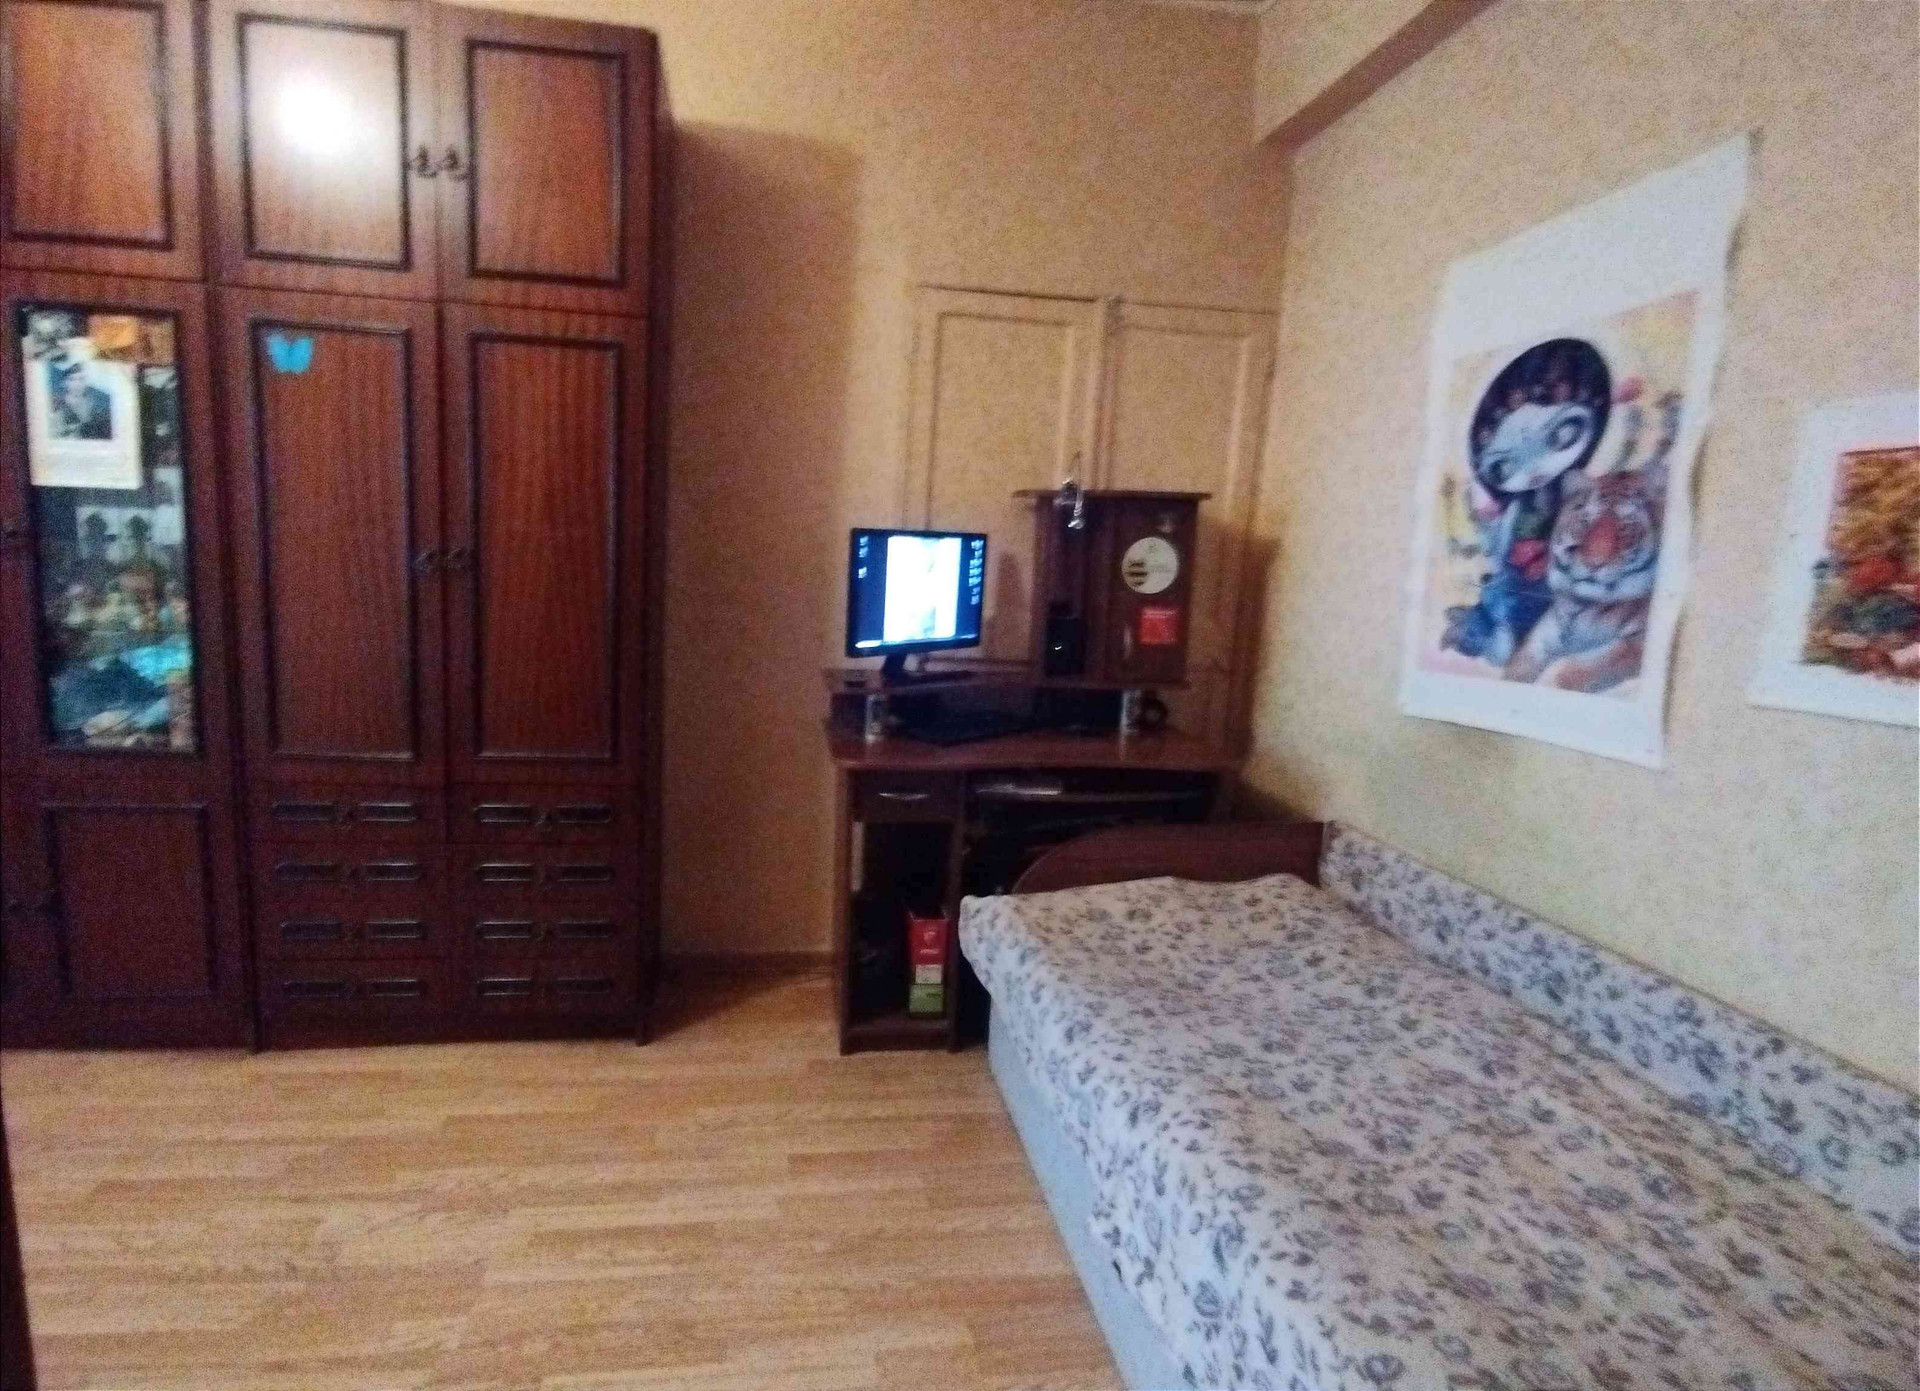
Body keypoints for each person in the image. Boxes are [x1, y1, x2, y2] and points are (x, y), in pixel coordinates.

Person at [51, 364, 113, 440]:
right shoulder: (57, 406)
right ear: (65, 382)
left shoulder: (94, 403)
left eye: (81, 379)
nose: (77, 384)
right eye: (72, 379)